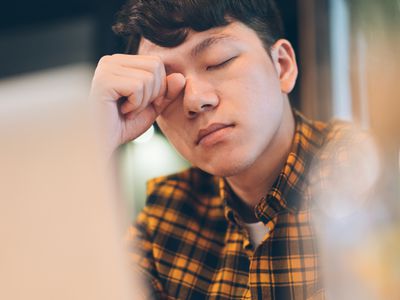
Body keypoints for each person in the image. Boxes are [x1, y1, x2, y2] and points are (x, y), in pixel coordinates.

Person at [90, 0, 335, 299]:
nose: (194, 100)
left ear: (282, 66)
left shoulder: (367, 175)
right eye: (169, 86)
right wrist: (93, 142)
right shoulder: (167, 218)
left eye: (218, 62)